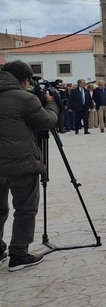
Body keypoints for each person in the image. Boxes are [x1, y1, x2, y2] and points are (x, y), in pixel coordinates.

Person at [0, 60, 59, 271]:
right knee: (25, 209)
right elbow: (46, 122)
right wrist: (51, 104)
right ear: (25, 80)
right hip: (22, 164)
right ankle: (19, 255)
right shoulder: (25, 98)